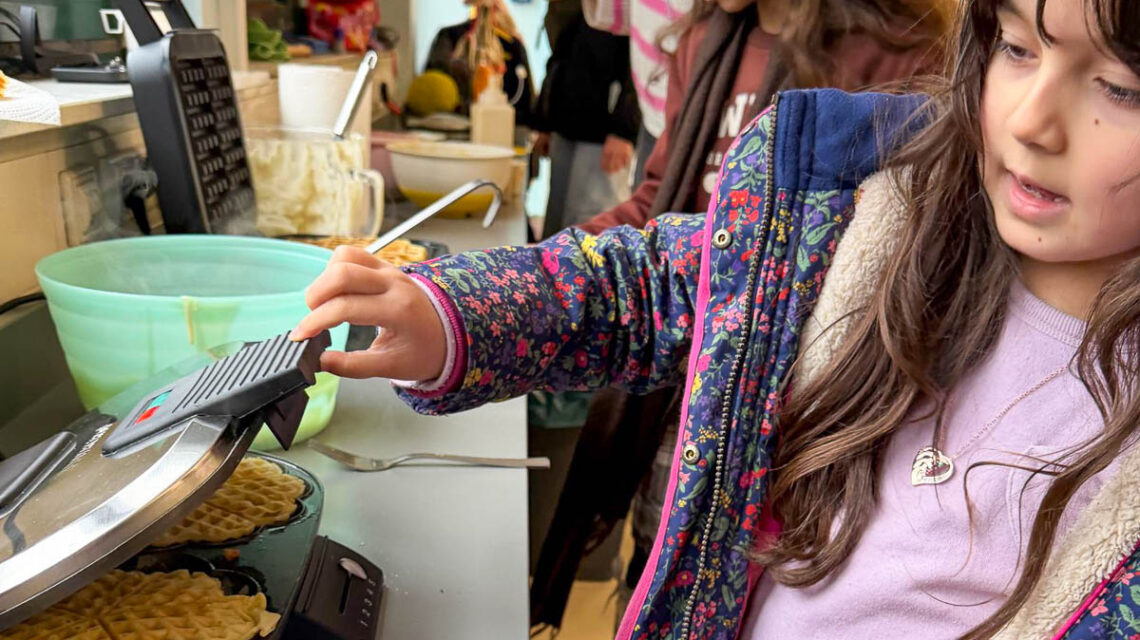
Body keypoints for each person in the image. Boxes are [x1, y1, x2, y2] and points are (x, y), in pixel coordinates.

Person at [292, 0, 1140, 637]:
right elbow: (655, 279)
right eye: (1018, 49)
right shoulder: (874, 217)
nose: (1033, 122)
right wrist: (454, 312)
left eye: (1118, 87)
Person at [534, 0, 640, 238]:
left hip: (606, 132)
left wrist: (625, 129)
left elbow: (642, 61)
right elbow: (561, 54)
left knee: (590, 231)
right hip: (565, 122)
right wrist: (545, 121)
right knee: (556, 229)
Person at [425, 0, 538, 127]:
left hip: (502, 126)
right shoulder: (451, 37)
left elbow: (526, 104)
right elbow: (433, 87)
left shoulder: (513, 46)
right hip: (456, 123)